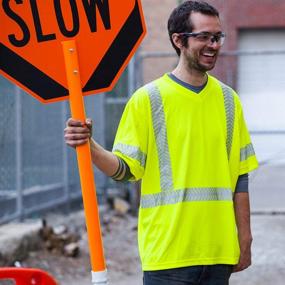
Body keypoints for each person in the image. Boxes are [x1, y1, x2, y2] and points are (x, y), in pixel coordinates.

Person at [64, 1, 258, 284]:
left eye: (217, 37)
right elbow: (125, 170)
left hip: (219, 253)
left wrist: (245, 235)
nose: (213, 44)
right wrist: (89, 146)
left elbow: (240, 176)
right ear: (178, 40)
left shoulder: (230, 101)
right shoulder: (147, 100)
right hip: (168, 257)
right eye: (203, 36)